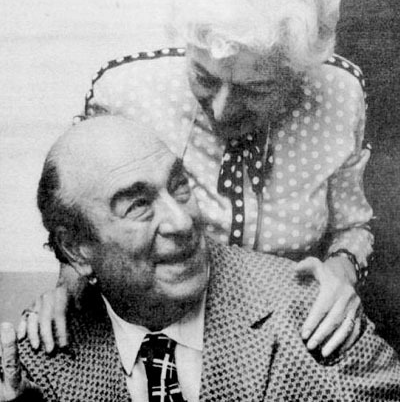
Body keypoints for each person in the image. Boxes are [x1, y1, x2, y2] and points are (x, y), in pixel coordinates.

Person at [20, 0, 372, 358]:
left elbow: (353, 226)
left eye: (255, 90)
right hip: (157, 328)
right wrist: (70, 285)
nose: (222, 110)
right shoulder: (127, 91)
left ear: (297, 73)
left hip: (287, 330)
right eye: (204, 78)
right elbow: (87, 216)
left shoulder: (339, 94)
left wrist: (340, 273)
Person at [1, 116, 399, 401]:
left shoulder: (311, 311)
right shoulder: (37, 366)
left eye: (179, 185)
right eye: (138, 206)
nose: (182, 221)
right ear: (77, 249)